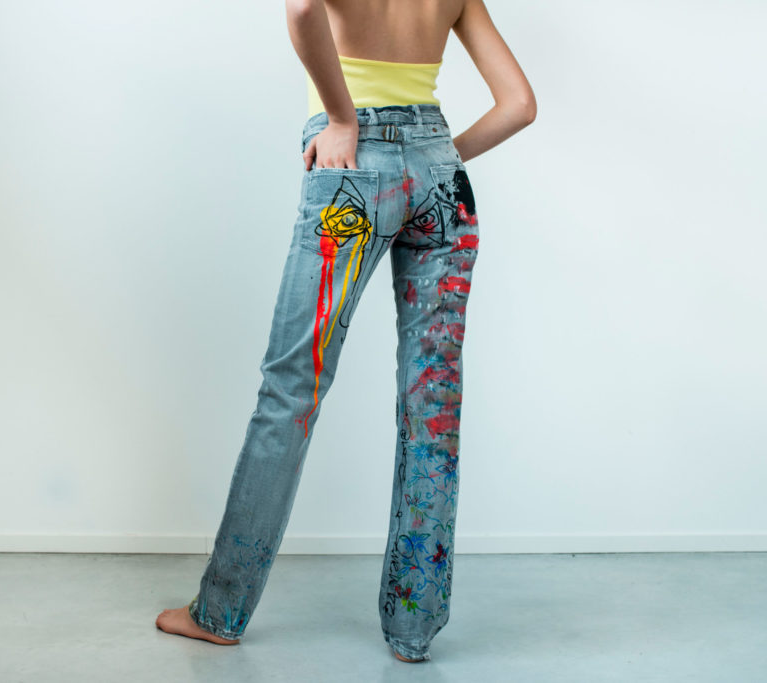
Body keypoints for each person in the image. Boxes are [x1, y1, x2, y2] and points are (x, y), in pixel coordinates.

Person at [157, 0, 536, 663]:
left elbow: (303, 7)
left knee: (290, 391)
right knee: (432, 407)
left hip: (353, 174)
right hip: (442, 183)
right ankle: (414, 629)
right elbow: (520, 105)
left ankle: (220, 610)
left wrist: (342, 118)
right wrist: (439, 155)